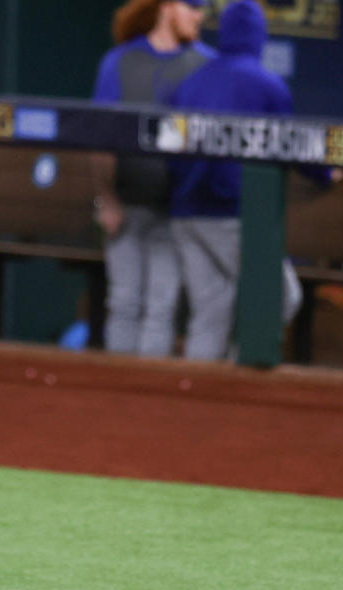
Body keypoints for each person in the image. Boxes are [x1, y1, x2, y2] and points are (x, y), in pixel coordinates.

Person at [168, 0, 337, 360]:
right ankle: (237, 373)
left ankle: (193, 392)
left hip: (183, 213)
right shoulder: (265, 83)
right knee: (282, 296)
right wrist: (326, 175)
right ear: (258, 35)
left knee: (211, 310)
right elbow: (294, 145)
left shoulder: (193, 80)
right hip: (229, 213)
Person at [90, 0, 211, 356]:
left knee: (161, 308)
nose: (199, 14)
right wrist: (106, 199)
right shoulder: (121, 61)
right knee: (125, 302)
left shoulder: (205, 63)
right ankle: (118, 396)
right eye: (191, 5)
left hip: (176, 211)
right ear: (167, 6)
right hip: (126, 204)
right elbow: (99, 137)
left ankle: (145, 402)